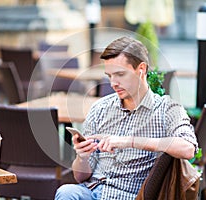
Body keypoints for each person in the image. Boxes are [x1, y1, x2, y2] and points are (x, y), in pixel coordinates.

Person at [55, 36, 198, 200]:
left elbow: (188, 148)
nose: (113, 83)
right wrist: (82, 157)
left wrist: (129, 141)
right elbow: (80, 177)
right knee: (66, 192)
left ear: (141, 69)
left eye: (120, 74)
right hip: (91, 192)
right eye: (109, 76)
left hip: (127, 195)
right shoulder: (100, 109)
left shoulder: (167, 110)